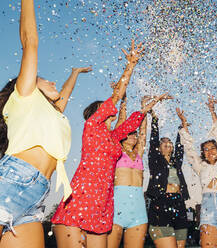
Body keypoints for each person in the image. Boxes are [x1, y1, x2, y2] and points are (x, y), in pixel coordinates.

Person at [51, 40, 167, 248]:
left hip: (104, 201)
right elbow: (117, 96)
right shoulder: (92, 125)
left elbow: (134, 120)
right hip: (83, 195)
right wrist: (130, 65)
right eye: (105, 108)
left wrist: (150, 105)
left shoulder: (113, 137)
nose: (110, 111)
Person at [0, 0, 90, 246]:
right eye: (45, 79)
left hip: (37, 195)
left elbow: (64, 94)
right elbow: (30, 40)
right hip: (11, 181)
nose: (52, 82)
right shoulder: (24, 96)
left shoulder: (54, 114)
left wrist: (74, 73)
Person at [107, 95, 171, 248]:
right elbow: (119, 126)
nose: (133, 136)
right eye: (129, 133)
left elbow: (143, 134)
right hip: (117, 205)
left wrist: (144, 106)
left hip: (138, 208)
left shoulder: (138, 155)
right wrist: (124, 101)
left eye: (134, 134)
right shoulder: (116, 151)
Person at [177, 99, 217, 248]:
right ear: (203, 153)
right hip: (209, 209)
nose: (210, 151)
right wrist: (184, 124)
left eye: (212, 148)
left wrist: (212, 111)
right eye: (206, 149)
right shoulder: (200, 167)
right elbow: (188, 148)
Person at [147, 110, 190, 248]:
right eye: (163, 142)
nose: (167, 144)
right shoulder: (155, 161)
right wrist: (154, 120)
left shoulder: (176, 163)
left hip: (179, 204)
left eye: (169, 142)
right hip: (161, 203)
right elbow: (153, 141)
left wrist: (182, 125)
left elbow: (180, 145)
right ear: (159, 148)